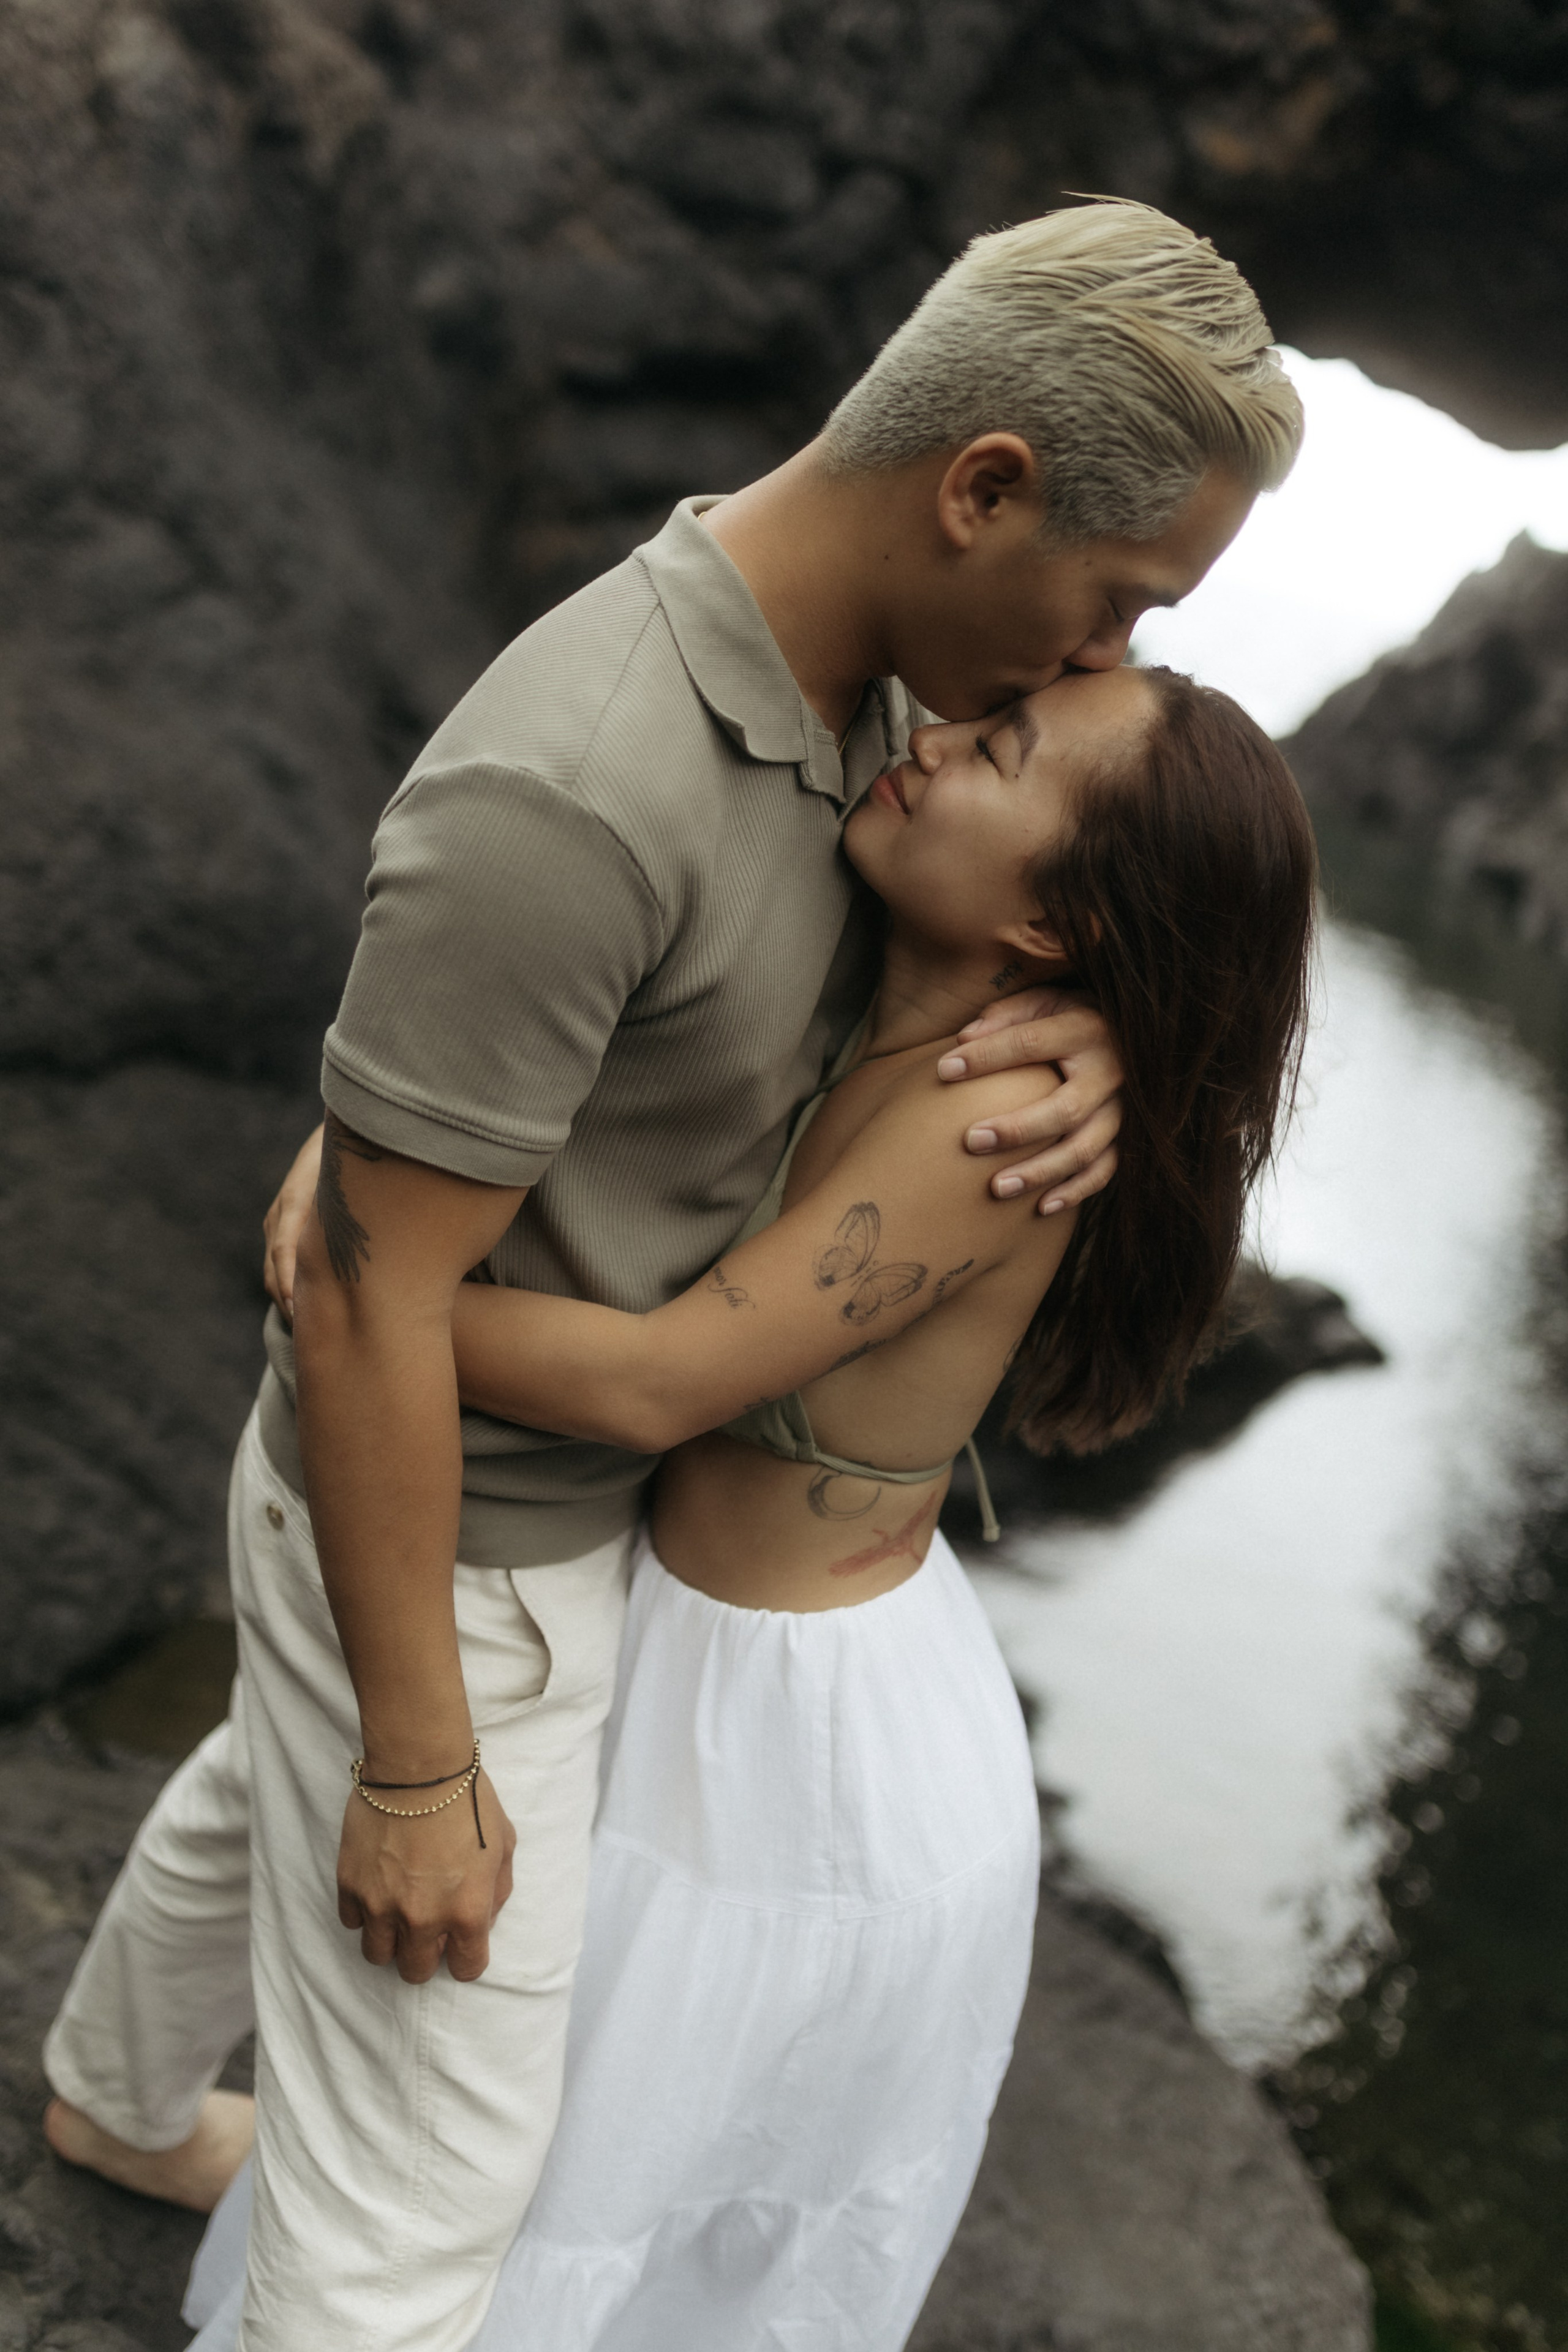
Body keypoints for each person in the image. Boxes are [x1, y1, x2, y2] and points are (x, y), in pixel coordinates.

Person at [42, 201, 1303, 2351]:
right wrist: (425, 1759)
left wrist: (1120, 1009)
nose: (1096, 665)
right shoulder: (590, 773)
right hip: (469, 1524)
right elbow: (387, 1276)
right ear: (982, 491)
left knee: (266, 1764)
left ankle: (107, 2100)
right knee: (430, 2208)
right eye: (1116, 606)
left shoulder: (886, 704)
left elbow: (552, 1074)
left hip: (572, 1503)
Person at [182, 658, 1317, 2350]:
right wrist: (360, 1190)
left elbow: (657, 1383)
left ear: (1058, 924)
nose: (928, 743)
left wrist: (368, 1280)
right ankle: (143, 2114)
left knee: (602, 2168)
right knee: (527, 2123)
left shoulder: (995, 1116)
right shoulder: (885, 968)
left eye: (995, 750)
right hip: (688, 1646)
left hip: (789, 1743)